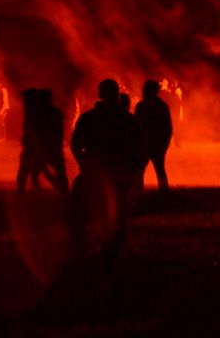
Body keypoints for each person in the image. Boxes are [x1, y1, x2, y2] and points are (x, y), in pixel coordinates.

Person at [70, 79, 144, 263]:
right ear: (117, 94)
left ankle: (83, 248)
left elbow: (75, 145)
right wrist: (133, 169)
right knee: (117, 212)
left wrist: (84, 163)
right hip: (118, 174)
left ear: (100, 94)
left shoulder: (89, 118)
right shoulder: (128, 119)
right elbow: (140, 146)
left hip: (94, 173)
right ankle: (112, 250)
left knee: (82, 211)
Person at [17, 88, 69, 195]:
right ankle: (64, 191)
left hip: (37, 147)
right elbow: (58, 132)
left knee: (26, 169)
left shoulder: (34, 112)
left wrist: (29, 144)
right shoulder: (56, 112)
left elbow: (30, 130)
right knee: (58, 170)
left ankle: (21, 191)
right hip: (51, 147)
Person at [135, 80, 172, 197]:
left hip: (149, 144)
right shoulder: (161, 106)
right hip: (153, 144)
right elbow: (168, 127)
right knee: (157, 169)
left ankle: (140, 193)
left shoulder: (142, 106)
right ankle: (163, 193)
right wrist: (165, 144)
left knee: (141, 170)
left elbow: (136, 125)